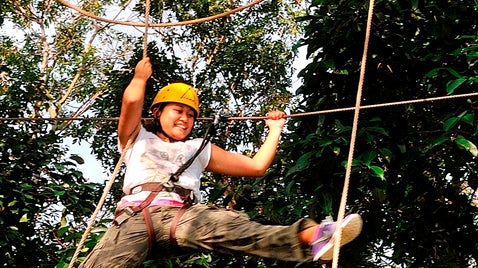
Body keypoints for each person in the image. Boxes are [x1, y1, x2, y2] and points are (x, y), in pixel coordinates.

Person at [79, 57, 362, 267]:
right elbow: (130, 104)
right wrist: (140, 77)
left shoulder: (198, 147)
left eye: (190, 115)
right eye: (178, 111)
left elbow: (255, 166)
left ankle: (314, 236)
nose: (185, 119)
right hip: (135, 219)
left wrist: (275, 130)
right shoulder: (136, 137)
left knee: (240, 231)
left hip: (183, 217)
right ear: (157, 112)